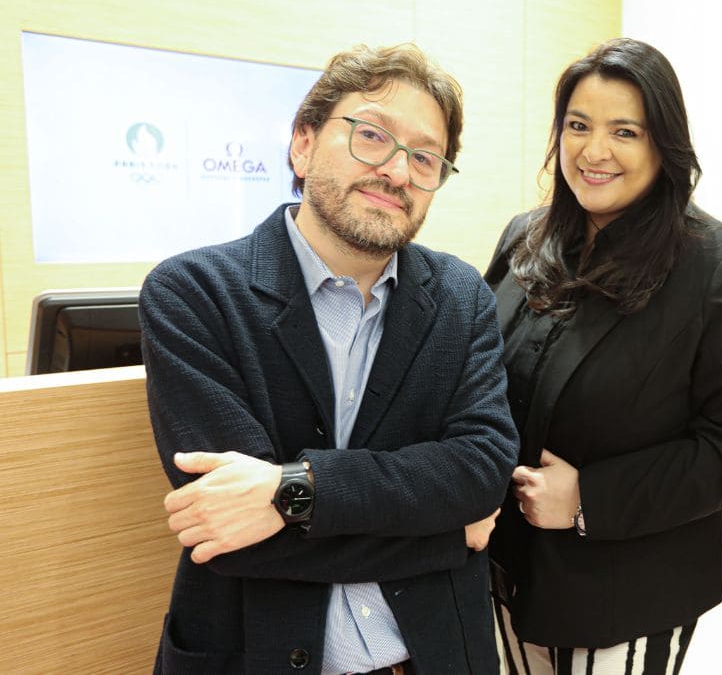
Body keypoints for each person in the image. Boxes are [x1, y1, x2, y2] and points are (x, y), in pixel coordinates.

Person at [140, 43, 518, 674]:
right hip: (253, 653)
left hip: (435, 654)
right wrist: (449, 532)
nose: (398, 172)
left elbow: (480, 470)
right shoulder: (193, 293)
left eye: (425, 157)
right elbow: (230, 535)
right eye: (372, 135)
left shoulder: (461, 296)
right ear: (303, 143)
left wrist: (293, 491)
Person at [482, 37, 722, 674]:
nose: (594, 152)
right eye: (578, 126)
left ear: (663, 144)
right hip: (504, 572)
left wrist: (590, 498)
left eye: (625, 131)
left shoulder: (719, 267)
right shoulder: (525, 236)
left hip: (624, 593)